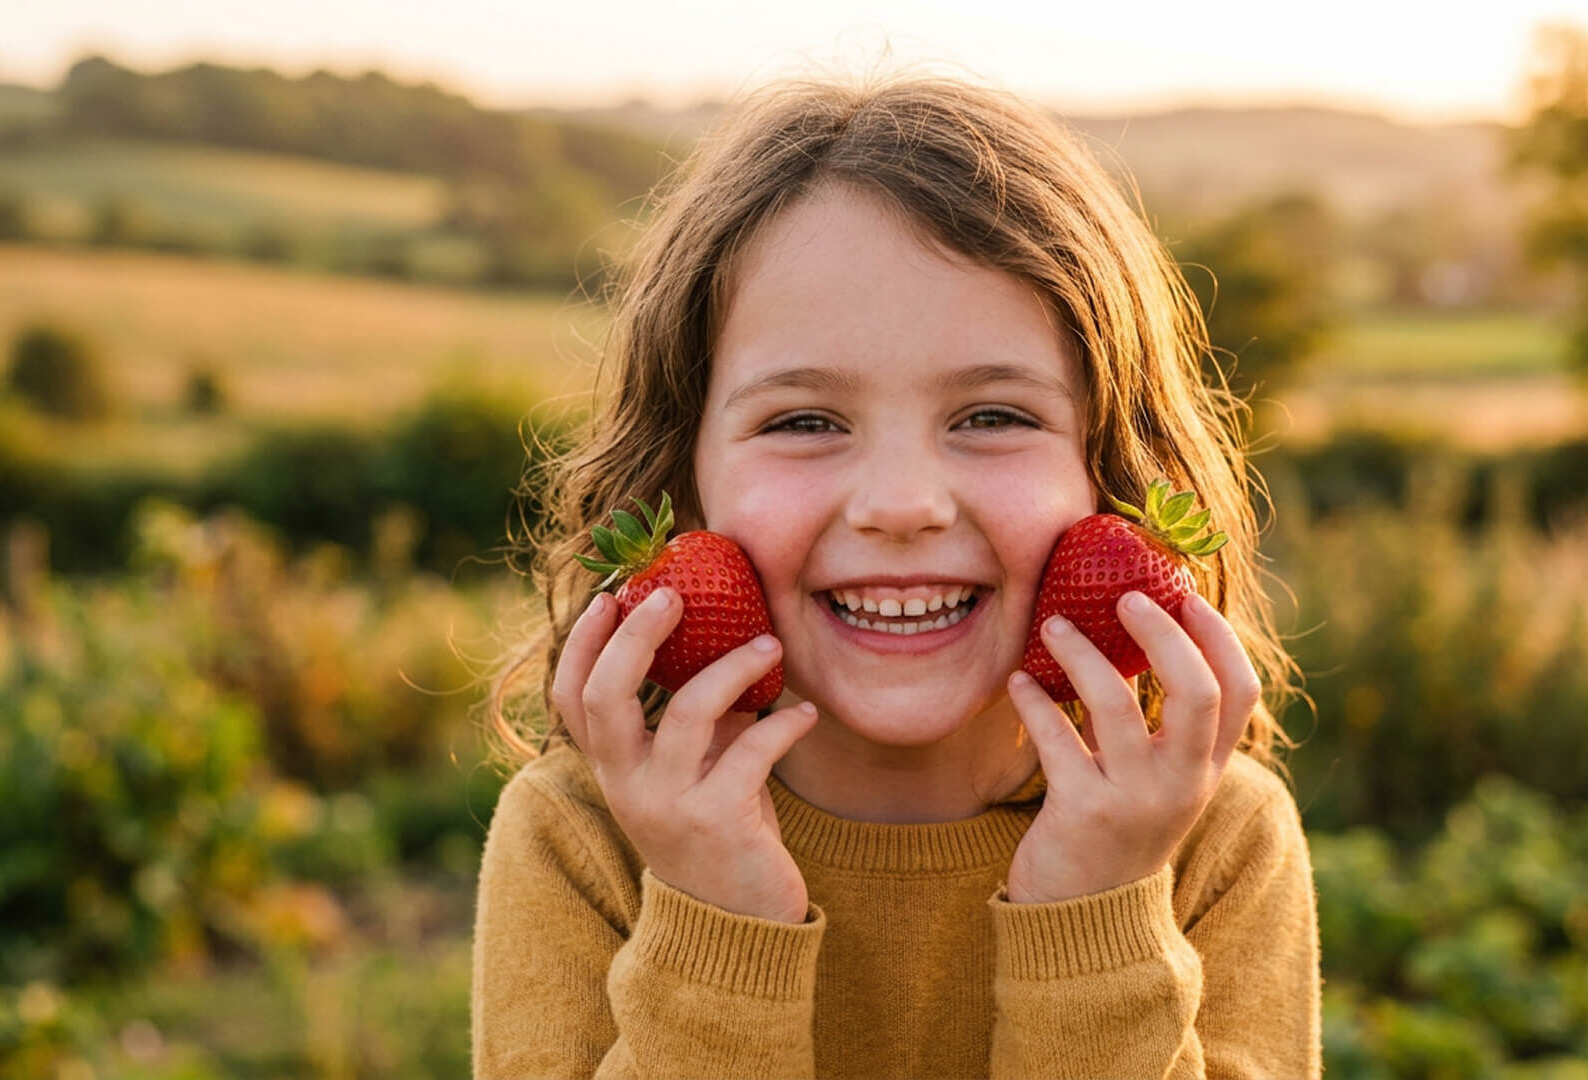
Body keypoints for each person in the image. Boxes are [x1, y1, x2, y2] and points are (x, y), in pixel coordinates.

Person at [472, 67, 1320, 1079]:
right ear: (681, 482)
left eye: (993, 416)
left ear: (1111, 473)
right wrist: (716, 924)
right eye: (804, 421)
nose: (903, 503)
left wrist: (1097, 914)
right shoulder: (582, 840)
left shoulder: (1214, 840)